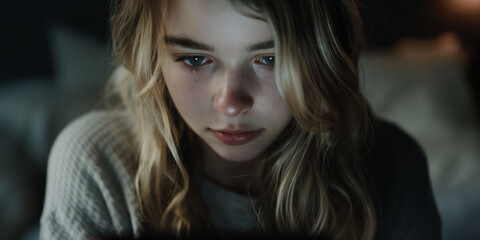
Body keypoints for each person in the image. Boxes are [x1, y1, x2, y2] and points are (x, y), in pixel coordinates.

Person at [39, 0, 442, 239]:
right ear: (153, 57)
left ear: (321, 60)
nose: (231, 103)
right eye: (195, 59)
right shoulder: (96, 165)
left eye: (270, 59)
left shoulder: (389, 164)